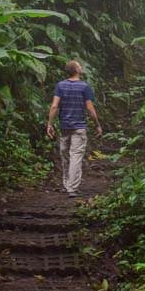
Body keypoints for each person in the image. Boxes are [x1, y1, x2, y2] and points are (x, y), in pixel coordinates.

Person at [46, 59, 102, 197]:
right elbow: (90, 108)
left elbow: (54, 106)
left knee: (65, 156)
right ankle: (72, 188)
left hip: (64, 126)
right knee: (75, 156)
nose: (81, 67)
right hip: (79, 127)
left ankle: (66, 185)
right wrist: (98, 125)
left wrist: (49, 124)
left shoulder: (60, 86)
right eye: (79, 65)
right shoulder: (84, 87)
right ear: (77, 70)